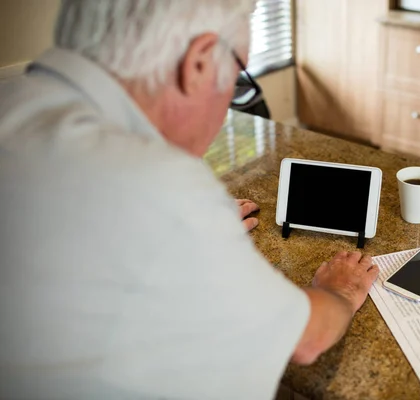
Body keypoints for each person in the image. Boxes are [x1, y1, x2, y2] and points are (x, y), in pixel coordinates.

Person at [0, 1, 380, 399]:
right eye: (236, 75)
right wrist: (341, 291)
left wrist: (193, 242)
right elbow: (306, 340)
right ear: (198, 63)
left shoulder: (15, 105)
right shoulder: (158, 184)